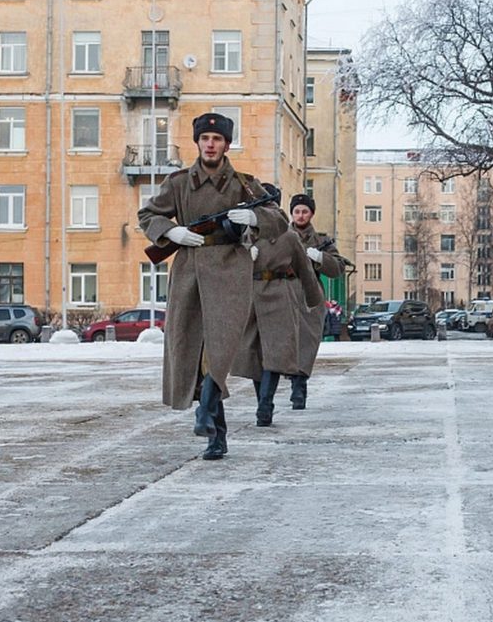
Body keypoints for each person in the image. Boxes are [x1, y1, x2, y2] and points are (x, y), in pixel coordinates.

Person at [138, 113, 287, 460]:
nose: (210, 144)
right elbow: (148, 215)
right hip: (189, 271)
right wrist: (171, 231)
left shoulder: (245, 184)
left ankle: (205, 412)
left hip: (231, 273)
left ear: (226, 144)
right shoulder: (178, 183)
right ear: (197, 142)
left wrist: (254, 218)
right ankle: (215, 434)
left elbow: (278, 218)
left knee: (219, 350)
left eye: (217, 139)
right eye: (205, 138)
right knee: (194, 349)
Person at [230, 185, 325, 427]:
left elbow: (305, 270)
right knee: (253, 354)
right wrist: (243, 253)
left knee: (274, 354)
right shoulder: (245, 232)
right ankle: (263, 400)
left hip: (279, 295)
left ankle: (265, 403)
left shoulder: (288, 236)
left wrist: (314, 302)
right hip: (251, 297)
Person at [286, 193, 347, 409]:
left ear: (311, 214)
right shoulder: (282, 236)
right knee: (283, 343)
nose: (300, 215)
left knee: (306, 343)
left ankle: (299, 387)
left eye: (304, 211)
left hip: (310, 297)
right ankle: (266, 395)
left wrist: (321, 258)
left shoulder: (321, 240)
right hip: (283, 294)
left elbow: (339, 268)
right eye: (297, 211)